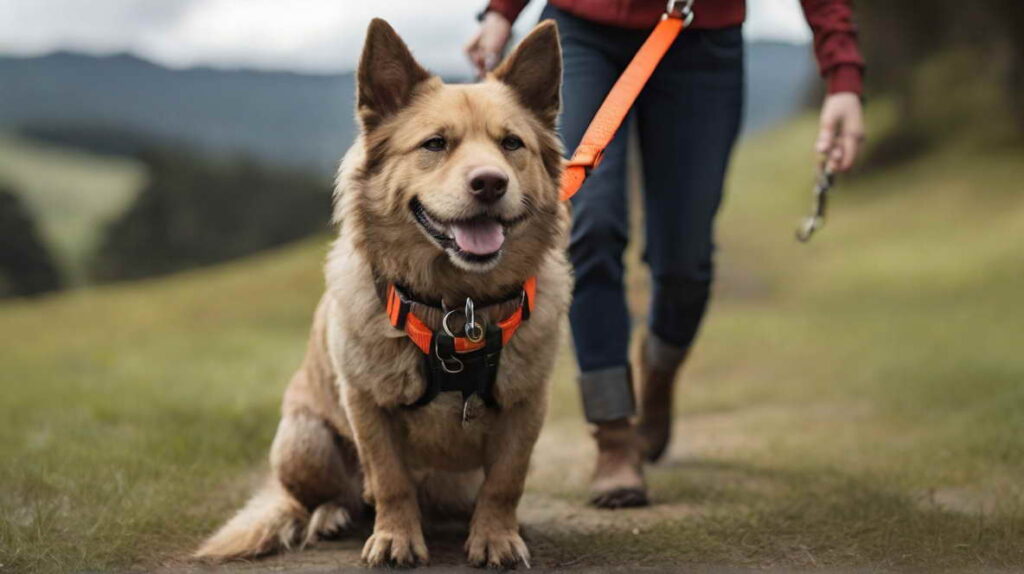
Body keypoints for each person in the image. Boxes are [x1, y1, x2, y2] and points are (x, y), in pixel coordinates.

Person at [466, 0, 865, 508]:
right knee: (592, 227)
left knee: (685, 261)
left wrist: (844, 77)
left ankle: (660, 366)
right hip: (583, 31)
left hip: (700, 38)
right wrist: (501, 11)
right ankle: (613, 436)